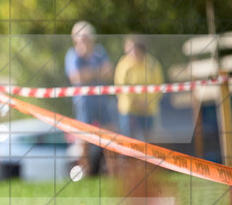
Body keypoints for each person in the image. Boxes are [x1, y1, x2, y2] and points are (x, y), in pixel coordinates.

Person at [64, 21, 116, 175]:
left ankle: (113, 171)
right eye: (81, 38)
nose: (85, 42)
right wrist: (98, 72)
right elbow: (77, 77)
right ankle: (85, 172)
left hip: (101, 99)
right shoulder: (72, 55)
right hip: (83, 101)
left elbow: (109, 72)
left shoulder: (100, 51)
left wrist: (89, 73)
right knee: (84, 137)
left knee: (109, 134)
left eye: (87, 38)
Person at [114, 34, 163, 140]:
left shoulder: (153, 64)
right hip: (128, 110)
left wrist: (147, 101)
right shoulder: (123, 64)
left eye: (133, 48)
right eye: (127, 48)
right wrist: (136, 101)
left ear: (141, 48)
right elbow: (121, 86)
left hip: (148, 109)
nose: (130, 51)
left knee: (149, 141)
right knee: (129, 141)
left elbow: (158, 86)